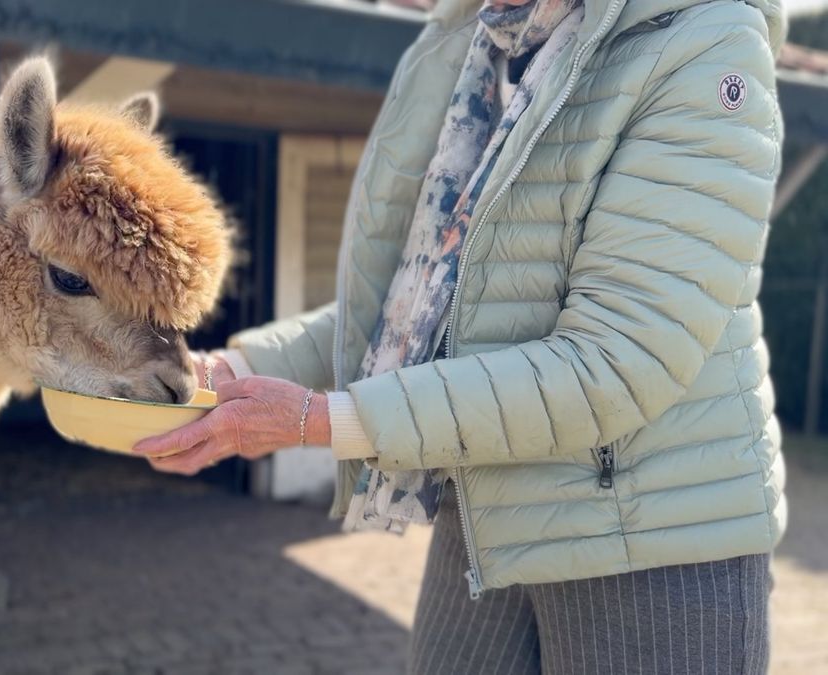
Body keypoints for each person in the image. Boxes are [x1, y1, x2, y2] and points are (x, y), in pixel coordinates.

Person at [135, 0, 786, 671]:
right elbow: (418, 307)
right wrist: (238, 369)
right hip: (489, 503)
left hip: (656, 543)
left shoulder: (705, 44)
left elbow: (615, 362)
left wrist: (321, 420)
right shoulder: (481, 40)